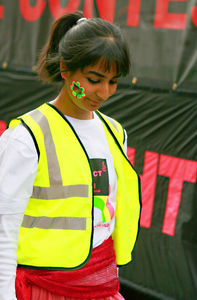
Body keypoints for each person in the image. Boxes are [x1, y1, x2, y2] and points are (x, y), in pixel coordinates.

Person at [0, 11, 141, 300]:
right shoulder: (27, 137)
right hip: (42, 287)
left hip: (100, 283)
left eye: (113, 82)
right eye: (94, 79)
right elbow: (4, 227)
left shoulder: (115, 132)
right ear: (65, 68)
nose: (103, 92)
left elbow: (105, 220)